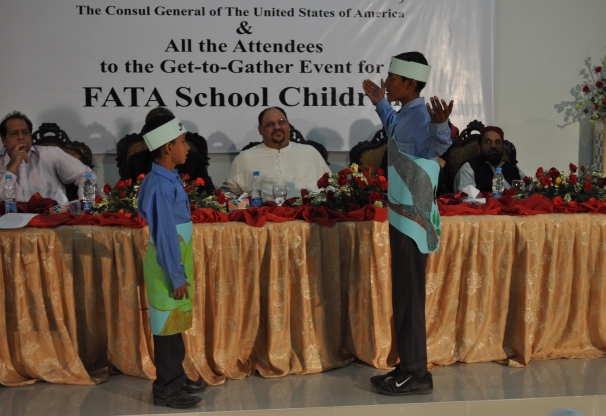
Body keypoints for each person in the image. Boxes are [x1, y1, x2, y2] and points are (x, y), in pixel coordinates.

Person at [362, 51, 453, 395]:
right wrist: (380, 103)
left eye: (393, 79)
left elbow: (437, 146)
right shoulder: (406, 113)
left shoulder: (425, 116)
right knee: (403, 293)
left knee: (410, 295)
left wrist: (442, 126)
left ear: (410, 83)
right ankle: (406, 365)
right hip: (401, 215)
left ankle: (417, 373)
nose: (387, 82)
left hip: (414, 220)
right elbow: (393, 128)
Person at [137, 114, 207, 409]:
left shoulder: (168, 178)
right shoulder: (159, 186)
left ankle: (176, 377)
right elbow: (165, 234)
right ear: (168, 147)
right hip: (167, 265)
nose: (187, 147)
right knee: (166, 328)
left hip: (175, 260)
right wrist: (176, 276)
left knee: (174, 324)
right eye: (182, 142)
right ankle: (166, 388)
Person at [223, 107, 331, 200]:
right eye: (270, 124)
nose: (277, 127)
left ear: (288, 125)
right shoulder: (245, 157)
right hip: (264, 215)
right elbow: (228, 193)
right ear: (260, 130)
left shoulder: (310, 152)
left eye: (281, 122)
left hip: (308, 214)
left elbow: (331, 186)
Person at [0, 111, 96, 201]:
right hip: (14, 214)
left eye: (25, 132)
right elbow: (2, 199)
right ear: (4, 140)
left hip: (51, 213)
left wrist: (84, 202)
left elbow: (87, 174)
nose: (21, 137)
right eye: (14, 133)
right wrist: (12, 166)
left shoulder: (50, 154)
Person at [123, 107, 215, 192]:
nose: (188, 147)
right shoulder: (136, 161)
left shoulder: (195, 161)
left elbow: (209, 194)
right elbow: (122, 195)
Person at [453, 126, 525, 193]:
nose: (493, 146)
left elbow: (527, 192)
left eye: (498, 142)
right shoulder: (468, 169)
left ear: (503, 147)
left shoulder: (514, 169)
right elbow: (468, 198)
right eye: (487, 142)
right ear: (479, 148)